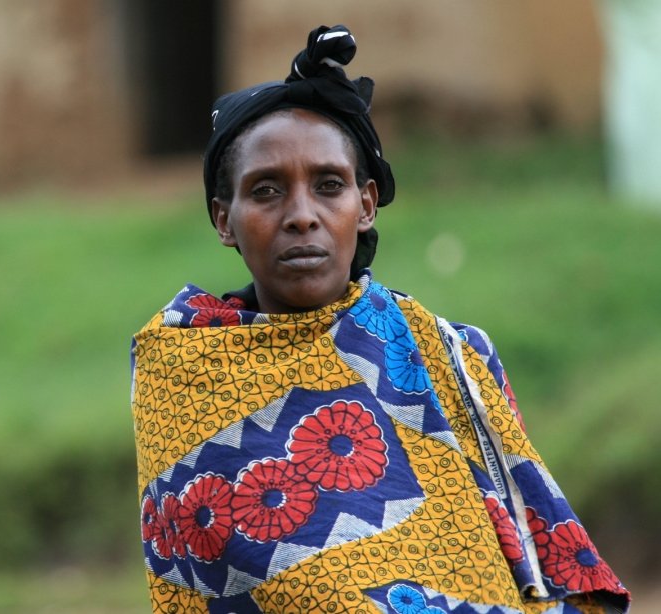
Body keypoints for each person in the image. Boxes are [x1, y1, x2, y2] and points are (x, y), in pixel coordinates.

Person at [131, 25, 630, 614]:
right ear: (224, 218)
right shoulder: (184, 369)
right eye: (266, 191)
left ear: (365, 205)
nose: (301, 216)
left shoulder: (446, 353)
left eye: (329, 186)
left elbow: (528, 542)